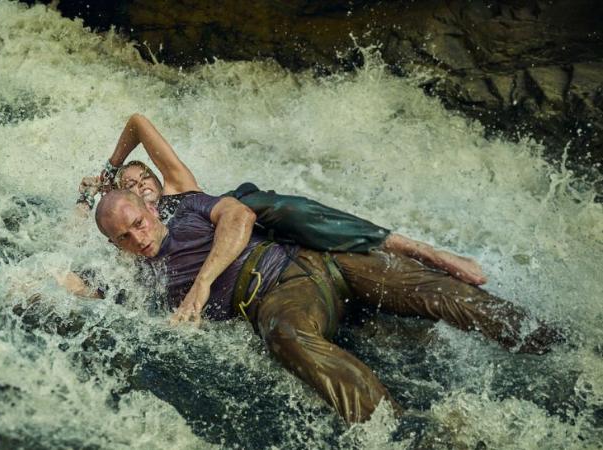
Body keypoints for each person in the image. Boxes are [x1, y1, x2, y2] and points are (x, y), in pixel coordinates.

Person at [93, 189, 562, 424]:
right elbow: (97, 299)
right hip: (277, 298)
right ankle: (395, 431)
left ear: (148, 209)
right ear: (115, 245)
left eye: (138, 222)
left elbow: (240, 215)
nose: (139, 237)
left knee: (443, 293)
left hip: (315, 255)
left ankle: (559, 348)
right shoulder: (141, 282)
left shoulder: (187, 206)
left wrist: (201, 285)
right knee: (286, 337)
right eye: (124, 237)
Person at [79, 113, 487, 286]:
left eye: (142, 177)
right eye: (127, 185)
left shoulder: (176, 186)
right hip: (239, 267)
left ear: (155, 179)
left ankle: (420, 250)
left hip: (242, 214)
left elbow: (137, 122)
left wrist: (111, 164)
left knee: (280, 207)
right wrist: (86, 196)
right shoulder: (134, 239)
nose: (138, 186)